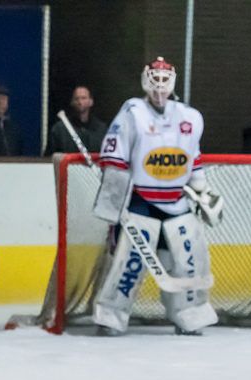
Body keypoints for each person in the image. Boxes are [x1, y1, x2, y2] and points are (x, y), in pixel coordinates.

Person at [93, 57, 222, 336]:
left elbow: (193, 158)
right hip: (141, 203)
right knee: (130, 262)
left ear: (173, 82)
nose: (160, 89)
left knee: (190, 261)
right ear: (145, 82)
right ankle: (111, 316)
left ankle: (190, 316)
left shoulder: (189, 116)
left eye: (165, 82)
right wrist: (115, 204)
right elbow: (115, 159)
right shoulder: (132, 112)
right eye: (155, 82)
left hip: (178, 202)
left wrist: (202, 189)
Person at [45, 85, 107, 156]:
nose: (80, 102)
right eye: (76, 99)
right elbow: (49, 158)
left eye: (84, 98)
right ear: (72, 102)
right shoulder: (59, 129)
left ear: (91, 101)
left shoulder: (101, 129)